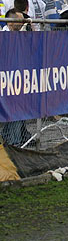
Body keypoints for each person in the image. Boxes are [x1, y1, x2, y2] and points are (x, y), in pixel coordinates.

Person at [0, 8, 32, 146]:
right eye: (19, 20)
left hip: (17, 78)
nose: (22, 23)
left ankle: (16, 138)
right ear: (11, 22)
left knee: (18, 108)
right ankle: (12, 140)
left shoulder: (21, 35)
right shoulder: (3, 36)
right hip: (6, 79)